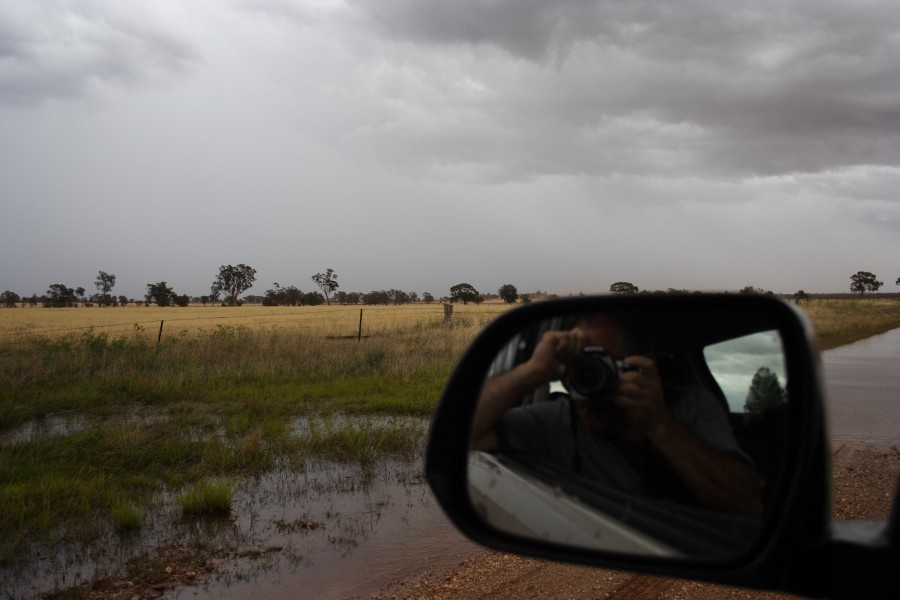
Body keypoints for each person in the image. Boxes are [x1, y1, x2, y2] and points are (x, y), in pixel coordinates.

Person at [471, 313, 763, 518]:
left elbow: (749, 506)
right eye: (578, 365)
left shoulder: (689, 407)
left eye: (604, 363)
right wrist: (533, 371)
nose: (587, 375)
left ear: (638, 366)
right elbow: (463, 434)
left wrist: (659, 424)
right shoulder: (555, 420)